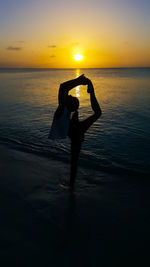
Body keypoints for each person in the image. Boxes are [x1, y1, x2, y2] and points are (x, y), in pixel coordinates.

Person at [49, 74, 102, 188]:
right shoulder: (63, 110)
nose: (69, 95)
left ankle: (72, 186)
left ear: (68, 103)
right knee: (74, 162)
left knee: (74, 162)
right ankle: (72, 186)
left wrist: (79, 81)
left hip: (75, 131)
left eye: (70, 97)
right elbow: (63, 88)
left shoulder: (61, 109)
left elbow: (63, 87)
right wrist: (89, 88)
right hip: (76, 131)